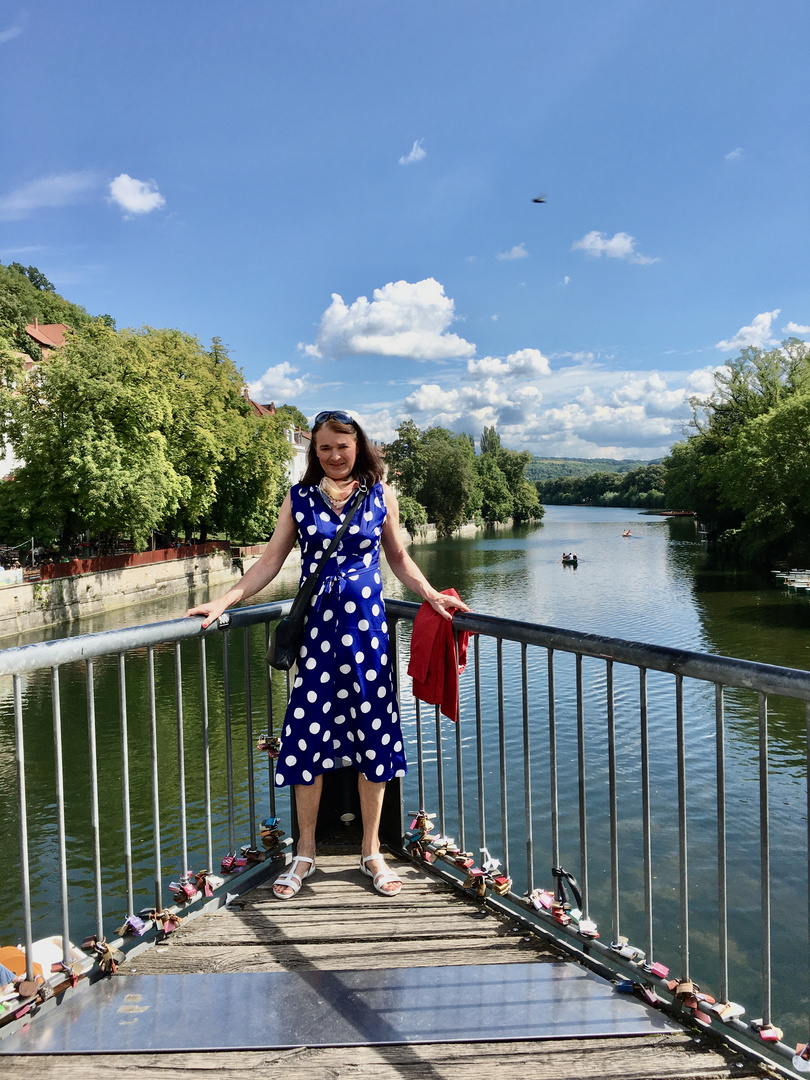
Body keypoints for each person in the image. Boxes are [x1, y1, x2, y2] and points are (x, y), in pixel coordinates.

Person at [186, 410, 469, 900]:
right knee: (306, 740)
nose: (335, 455)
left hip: (368, 639)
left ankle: (371, 851)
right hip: (317, 639)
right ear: (314, 453)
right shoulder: (298, 499)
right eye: (324, 448)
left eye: (343, 445)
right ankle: (305, 853)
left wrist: (430, 595)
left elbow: (397, 557)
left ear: (358, 445)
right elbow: (272, 559)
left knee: (374, 739)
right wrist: (224, 601)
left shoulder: (380, 495)